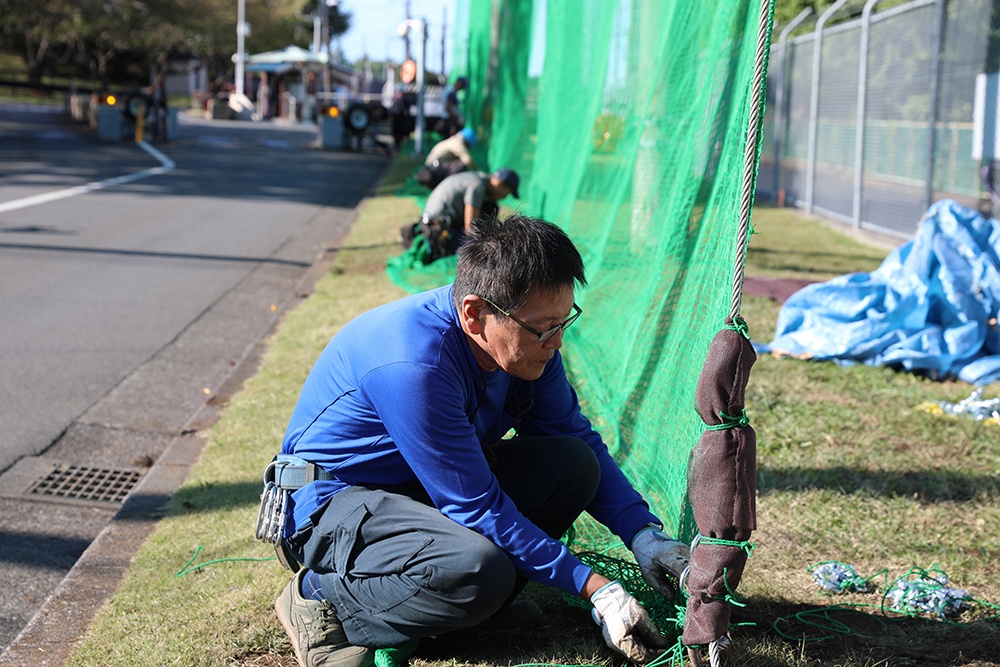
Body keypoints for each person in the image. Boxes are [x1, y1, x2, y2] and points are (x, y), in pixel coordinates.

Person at [270, 214, 691, 667]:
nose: (557, 342)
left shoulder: (528, 345)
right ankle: (321, 599)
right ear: (474, 313)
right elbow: (474, 505)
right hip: (331, 503)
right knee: (477, 569)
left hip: (417, 491)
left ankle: (463, 609)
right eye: (543, 327)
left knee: (573, 464)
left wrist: (644, 535)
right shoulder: (414, 365)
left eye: (564, 320)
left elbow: (574, 437)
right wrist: (596, 589)